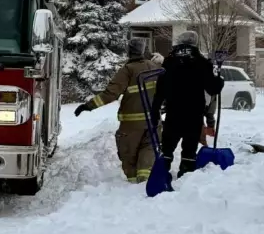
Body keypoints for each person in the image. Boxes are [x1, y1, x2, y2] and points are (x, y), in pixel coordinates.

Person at [74, 39, 161, 183]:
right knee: (149, 149)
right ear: (143, 50)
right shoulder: (155, 67)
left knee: (129, 156)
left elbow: (110, 94)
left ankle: (133, 186)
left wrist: (88, 106)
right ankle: (145, 182)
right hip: (154, 122)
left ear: (129, 51)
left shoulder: (127, 71)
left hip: (132, 125)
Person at [150, 31, 224, 179]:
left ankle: (161, 174)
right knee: (190, 148)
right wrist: (219, 80)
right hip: (194, 113)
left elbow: (160, 91)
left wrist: (155, 110)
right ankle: (185, 174)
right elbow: (213, 89)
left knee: (167, 146)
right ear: (195, 43)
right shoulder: (202, 63)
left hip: (173, 112)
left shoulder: (169, 62)